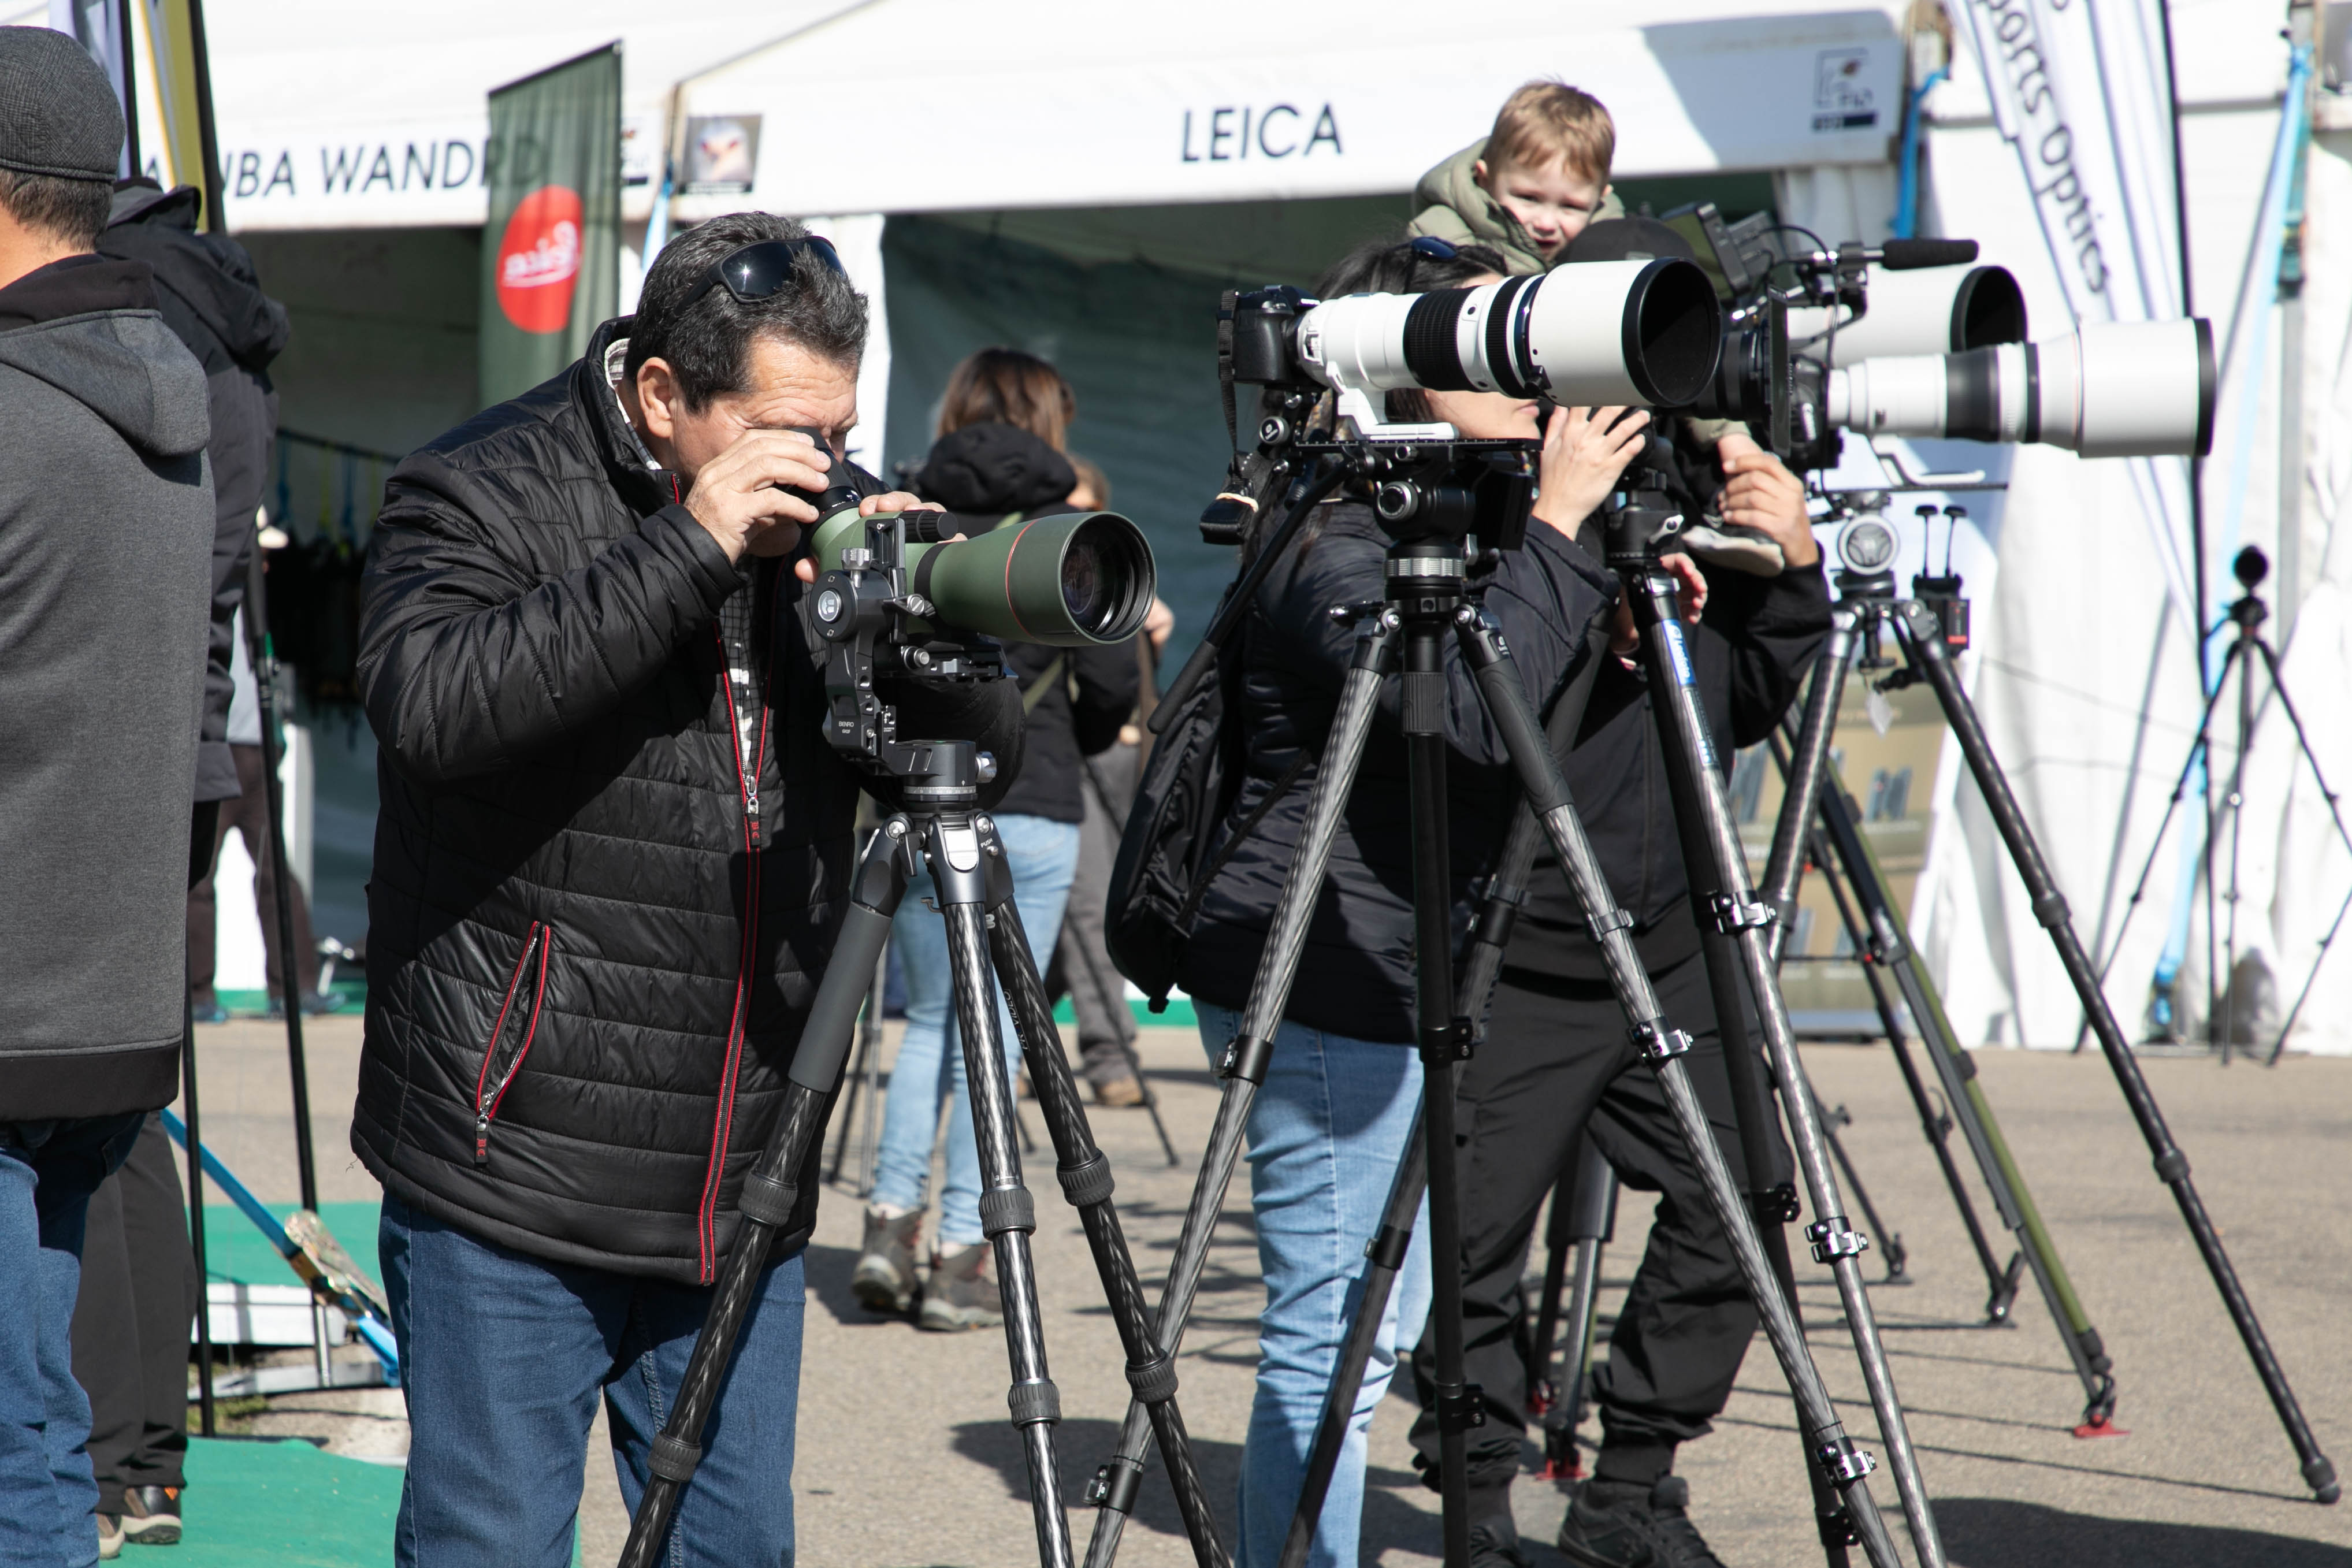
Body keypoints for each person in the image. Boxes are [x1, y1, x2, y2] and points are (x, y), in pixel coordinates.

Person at [352, 211, 982, 1568]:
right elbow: (429, 706)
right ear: (659, 396)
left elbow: (964, 761)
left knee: (736, 1545)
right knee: (493, 1542)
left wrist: (924, 636)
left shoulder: (826, 508)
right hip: (512, 1161)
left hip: (740, 1163)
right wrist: (687, 548)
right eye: (780, 431)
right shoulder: (480, 483)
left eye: (836, 427)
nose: (814, 462)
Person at [1175, 232, 1684, 1568]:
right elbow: (1459, 710)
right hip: (1327, 960)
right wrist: (1562, 527)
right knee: (1334, 1323)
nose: (1526, 380)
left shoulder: (1430, 516)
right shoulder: (1340, 534)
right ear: (1395, 365)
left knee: (1368, 1319)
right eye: (1487, 344)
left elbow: (1502, 687)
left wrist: (1588, 575)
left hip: (1389, 954)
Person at [1403, 218, 1829, 1568]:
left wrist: (1788, 572)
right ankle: (1476, 1498)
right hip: (1518, 939)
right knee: (1469, 1244)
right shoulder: (1490, 480)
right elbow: (1481, 712)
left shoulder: (1682, 474)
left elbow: (1743, 705)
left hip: (1669, 927)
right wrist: (1561, 522)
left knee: (1747, 1191)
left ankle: (1629, 1484)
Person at [0, 27, 216, 1568]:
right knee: (34, 1406)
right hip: (106, 1008)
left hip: (10, 1007)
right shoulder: (169, 394)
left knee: (14, 1437)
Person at [67, 173, 292, 1556]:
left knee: (81, 1114)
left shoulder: (123, 335)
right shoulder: (226, 351)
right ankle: (145, 1459)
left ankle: (113, 1458)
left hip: (103, 761)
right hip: (193, 755)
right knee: (130, 1108)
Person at [849, 348, 1138, 1329]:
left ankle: (889, 1227)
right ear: (1050, 424)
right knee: (1002, 1036)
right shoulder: (1069, 538)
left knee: (928, 1021)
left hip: (921, 792)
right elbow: (1111, 696)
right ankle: (967, 1259)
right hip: (1038, 799)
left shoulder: (905, 518)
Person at [1045, 455, 1175, 1108]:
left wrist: (1145, 638)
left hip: (1127, 759)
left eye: (1086, 514)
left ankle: (1019, 1042)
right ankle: (1109, 1054)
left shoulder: (1119, 587)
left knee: (1084, 911)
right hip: (1072, 760)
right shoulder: (1038, 591)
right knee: (1088, 905)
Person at [1409, 80, 1625, 274]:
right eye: (1529, 198)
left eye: (1572, 206)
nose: (1547, 224)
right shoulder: (1443, 242)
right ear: (1485, 180)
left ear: (1600, 200)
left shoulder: (1616, 249)